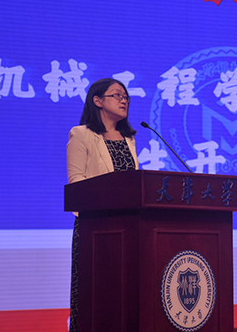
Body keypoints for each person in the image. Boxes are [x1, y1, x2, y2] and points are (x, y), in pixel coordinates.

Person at [66, 78, 138, 332]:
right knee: (94, 294)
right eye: (117, 95)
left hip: (128, 230)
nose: (124, 100)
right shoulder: (81, 134)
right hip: (95, 229)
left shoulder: (128, 138)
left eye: (126, 96)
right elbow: (77, 184)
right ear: (97, 100)